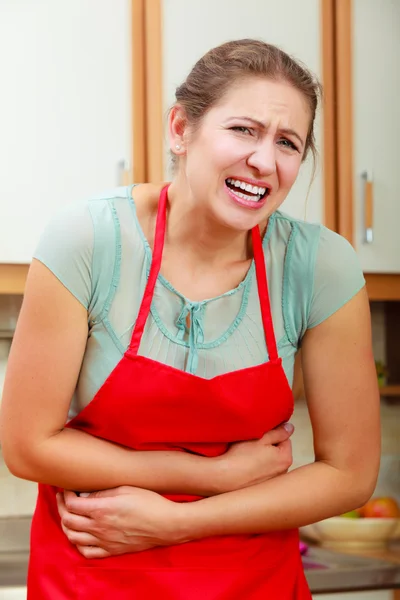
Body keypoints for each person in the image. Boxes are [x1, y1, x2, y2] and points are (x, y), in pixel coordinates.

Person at [0, 39, 380, 599]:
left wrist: (175, 522)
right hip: (92, 572)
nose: (264, 161)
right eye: (243, 130)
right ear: (181, 129)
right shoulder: (89, 241)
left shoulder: (320, 266)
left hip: (254, 583)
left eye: (288, 143)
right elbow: (27, 446)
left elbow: (350, 475)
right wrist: (210, 474)